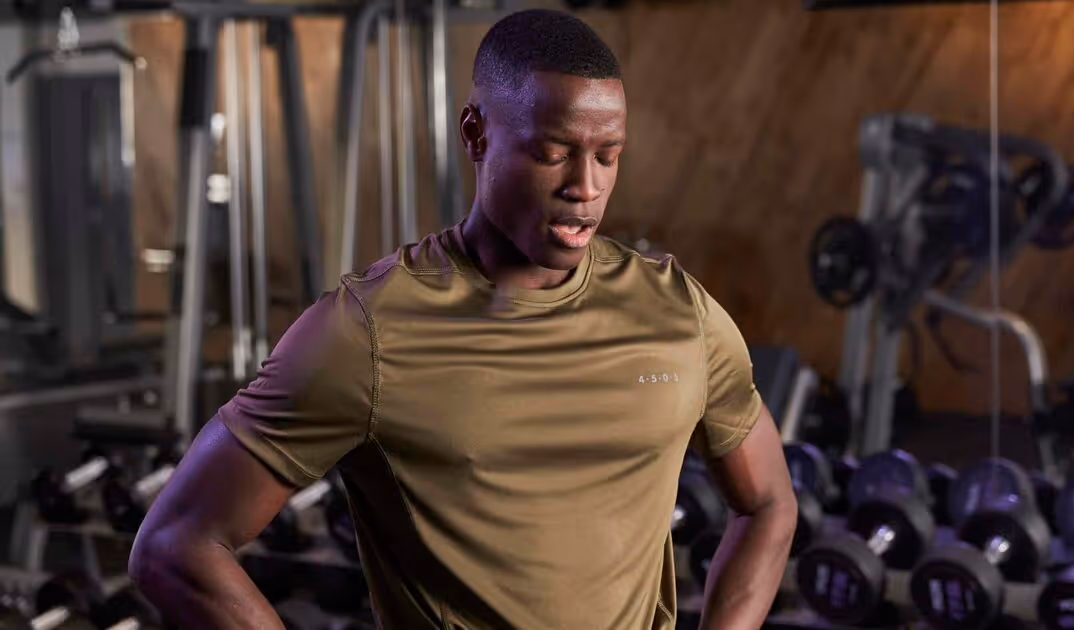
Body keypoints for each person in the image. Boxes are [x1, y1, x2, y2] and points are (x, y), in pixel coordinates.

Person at [129, 9, 796, 630]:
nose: (586, 187)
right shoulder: (367, 335)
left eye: (607, 155)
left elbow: (768, 503)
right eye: (553, 152)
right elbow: (175, 545)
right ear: (476, 133)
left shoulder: (679, 313)